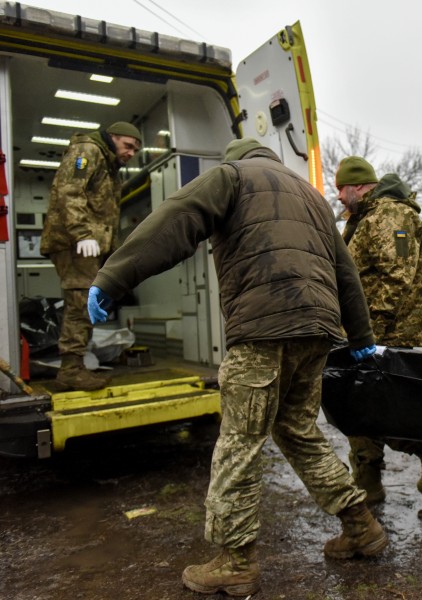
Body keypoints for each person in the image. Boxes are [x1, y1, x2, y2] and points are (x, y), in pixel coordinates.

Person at [88, 139, 388, 596]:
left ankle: (235, 560)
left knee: (239, 440)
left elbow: (176, 220)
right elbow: (344, 270)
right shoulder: (310, 195)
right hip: (316, 330)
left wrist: (114, 276)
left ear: (237, 158)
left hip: (264, 327)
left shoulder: (231, 177)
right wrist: (361, 338)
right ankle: (361, 526)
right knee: (298, 431)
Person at [335, 156, 422, 504]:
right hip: (368, 332)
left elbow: (396, 276)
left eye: (341, 191)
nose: (340, 199)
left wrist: (368, 334)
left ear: (358, 186)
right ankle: (368, 481)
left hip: (387, 333)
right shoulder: (365, 218)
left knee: (373, 406)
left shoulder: (391, 215)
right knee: (361, 404)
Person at [41, 121, 141, 391]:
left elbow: (104, 212)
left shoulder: (109, 165)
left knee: (87, 301)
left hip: (87, 244)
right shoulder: (88, 151)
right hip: (74, 242)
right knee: (81, 300)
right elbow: (69, 191)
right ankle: (71, 371)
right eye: (128, 145)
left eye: (135, 150)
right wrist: (82, 233)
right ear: (113, 136)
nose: (131, 153)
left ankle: (75, 368)